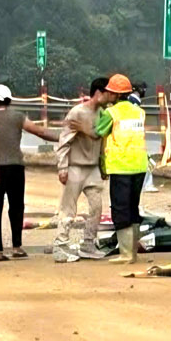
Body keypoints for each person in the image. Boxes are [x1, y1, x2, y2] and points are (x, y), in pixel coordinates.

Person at [0, 84, 59, 262]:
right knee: (17, 207)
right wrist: (64, 137)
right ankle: (17, 247)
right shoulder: (18, 116)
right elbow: (40, 132)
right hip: (15, 166)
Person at [53, 77, 109, 263]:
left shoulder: (104, 114)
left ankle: (88, 244)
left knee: (96, 207)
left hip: (92, 168)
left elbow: (101, 140)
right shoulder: (77, 113)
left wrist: (103, 166)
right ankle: (60, 246)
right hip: (75, 167)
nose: (111, 97)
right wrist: (62, 167)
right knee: (68, 209)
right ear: (99, 93)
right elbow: (64, 142)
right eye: (108, 93)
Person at [94, 74, 147, 264]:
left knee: (120, 209)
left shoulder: (112, 113)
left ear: (115, 94)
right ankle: (132, 252)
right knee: (133, 208)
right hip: (140, 166)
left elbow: (98, 131)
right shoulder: (139, 111)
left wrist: (100, 110)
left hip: (121, 166)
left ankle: (126, 254)